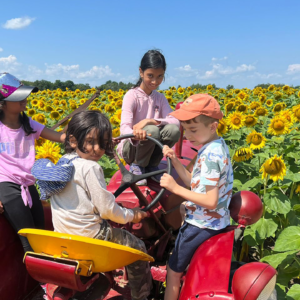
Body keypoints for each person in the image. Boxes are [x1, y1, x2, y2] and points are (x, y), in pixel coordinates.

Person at [32, 110, 152, 300]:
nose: (97, 149)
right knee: (137, 249)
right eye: (91, 142)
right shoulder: (91, 167)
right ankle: (141, 295)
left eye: (103, 144)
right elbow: (107, 211)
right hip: (91, 239)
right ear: (73, 141)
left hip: (63, 238)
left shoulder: (63, 164)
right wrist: (132, 215)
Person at [160, 94, 234, 300]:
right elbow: (195, 183)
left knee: (172, 272)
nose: (188, 135)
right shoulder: (215, 146)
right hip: (215, 220)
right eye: (185, 129)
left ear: (212, 126)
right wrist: (175, 161)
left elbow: (210, 201)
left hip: (201, 224)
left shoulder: (210, 155)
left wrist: (175, 188)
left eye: (193, 129)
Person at [0, 72, 65, 253]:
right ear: (3, 103)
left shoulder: (28, 124)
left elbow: (60, 137)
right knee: (29, 242)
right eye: (18, 97)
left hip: (28, 185)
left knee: (41, 234)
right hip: (7, 186)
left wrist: (83, 132)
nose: (25, 100)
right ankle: (40, 279)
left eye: (25, 95)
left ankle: (40, 278)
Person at [117, 49, 180, 185]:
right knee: (153, 130)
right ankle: (137, 165)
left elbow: (175, 121)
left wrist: (150, 121)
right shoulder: (131, 95)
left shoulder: (160, 98)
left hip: (151, 145)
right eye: (150, 75)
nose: (155, 81)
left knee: (173, 130)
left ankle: (152, 164)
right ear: (141, 72)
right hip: (131, 148)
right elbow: (124, 128)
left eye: (159, 76)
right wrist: (135, 133)